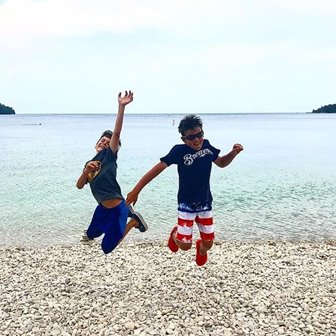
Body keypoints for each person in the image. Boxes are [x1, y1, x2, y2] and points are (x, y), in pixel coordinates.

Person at [126, 114, 243, 266]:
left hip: (205, 203)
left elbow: (221, 163)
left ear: (203, 133)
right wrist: (136, 190)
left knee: (208, 244)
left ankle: (201, 249)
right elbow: (156, 170)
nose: (196, 140)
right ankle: (175, 234)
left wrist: (233, 153)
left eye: (199, 135)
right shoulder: (178, 151)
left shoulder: (207, 147)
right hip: (186, 204)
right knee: (184, 246)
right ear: (183, 139)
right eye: (191, 137)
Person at [76, 90, 147, 254]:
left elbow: (116, 132)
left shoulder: (109, 157)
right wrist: (86, 171)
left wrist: (121, 106)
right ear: (96, 143)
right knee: (91, 234)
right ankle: (103, 228)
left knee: (107, 248)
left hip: (117, 209)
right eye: (102, 140)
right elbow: (79, 185)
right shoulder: (90, 164)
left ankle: (134, 221)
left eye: (108, 142)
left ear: (113, 148)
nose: (104, 142)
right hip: (101, 208)